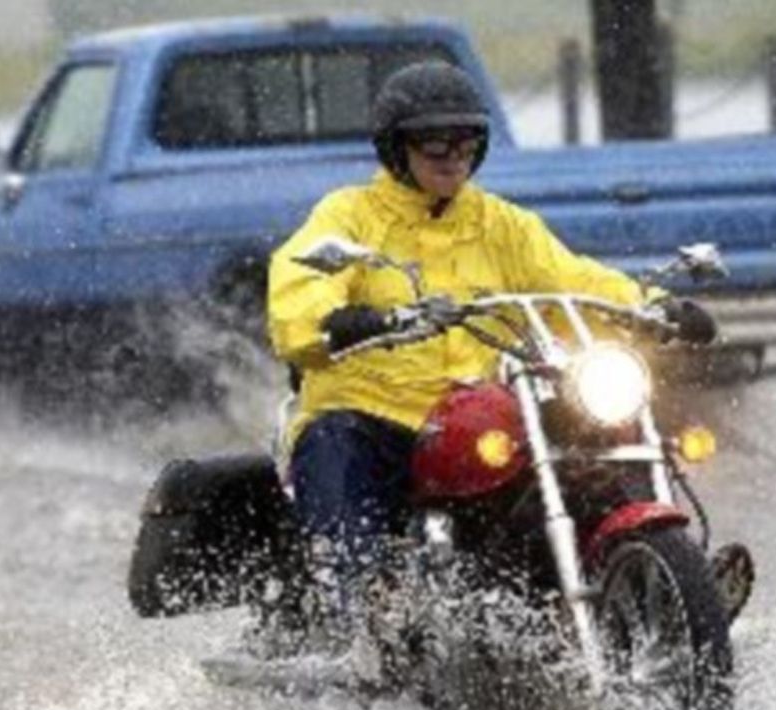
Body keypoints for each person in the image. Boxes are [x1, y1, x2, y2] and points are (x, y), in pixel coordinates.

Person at [266, 61, 716, 631]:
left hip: (472, 411)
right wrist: (341, 321)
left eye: (466, 139)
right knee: (337, 441)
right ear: (395, 146)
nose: (451, 153)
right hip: (375, 409)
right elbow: (299, 286)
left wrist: (651, 305)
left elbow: (571, 279)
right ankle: (349, 608)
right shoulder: (348, 217)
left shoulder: (501, 223)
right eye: (433, 140)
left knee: (587, 433)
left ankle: (653, 574)